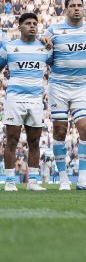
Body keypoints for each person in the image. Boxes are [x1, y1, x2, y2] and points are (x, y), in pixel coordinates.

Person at [43, 0, 86, 191]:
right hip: (58, 86)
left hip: (80, 86)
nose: (76, 8)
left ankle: (82, 180)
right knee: (60, 130)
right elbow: (45, 54)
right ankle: (64, 180)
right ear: (65, 9)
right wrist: (46, 48)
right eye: (72, 6)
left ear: (84, 9)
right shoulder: (53, 30)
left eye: (79, 5)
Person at [0, 13, 52, 191]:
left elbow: (57, 65)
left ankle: (33, 182)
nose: (32, 26)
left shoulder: (45, 47)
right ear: (19, 27)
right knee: (12, 140)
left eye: (35, 23)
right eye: (28, 23)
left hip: (36, 100)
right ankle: (9, 181)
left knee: (34, 141)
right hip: (15, 99)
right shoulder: (9, 47)